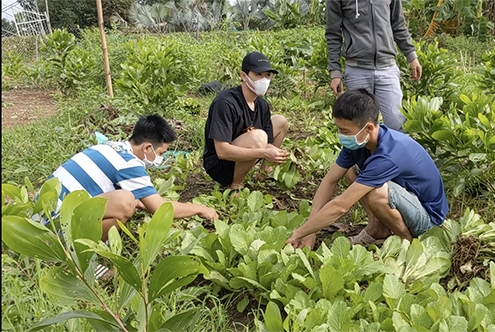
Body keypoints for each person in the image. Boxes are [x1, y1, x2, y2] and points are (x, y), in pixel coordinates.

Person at [286, 89, 448, 249]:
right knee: (352, 172)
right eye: (339, 129)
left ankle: (406, 242)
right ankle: (377, 229)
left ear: (369, 128)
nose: (341, 135)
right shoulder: (360, 142)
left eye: (345, 131)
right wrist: (310, 232)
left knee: (376, 193)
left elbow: (341, 205)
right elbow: (330, 180)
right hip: (406, 199)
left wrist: (298, 233)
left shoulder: (389, 154)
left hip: (428, 218)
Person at [42, 115, 219, 241]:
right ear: (147, 147)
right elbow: (160, 209)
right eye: (160, 153)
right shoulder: (130, 164)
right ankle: (79, 257)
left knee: (129, 198)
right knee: (125, 202)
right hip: (54, 228)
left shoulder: (111, 146)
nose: (160, 159)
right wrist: (199, 209)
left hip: (42, 212)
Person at [326, 0, 422, 131]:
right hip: (356, 69)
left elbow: (398, 24)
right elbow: (333, 34)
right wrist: (335, 72)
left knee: (396, 124)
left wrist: (412, 56)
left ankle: (390, 152)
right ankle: (363, 152)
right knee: (359, 126)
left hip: (387, 68)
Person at [203, 51, 289, 190]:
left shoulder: (262, 105)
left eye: (267, 75)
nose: (264, 80)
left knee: (280, 121)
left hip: (246, 152)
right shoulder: (225, 103)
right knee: (259, 137)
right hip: (221, 165)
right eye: (258, 74)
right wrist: (264, 152)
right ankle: (235, 184)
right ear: (244, 76)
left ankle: (264, 172)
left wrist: (283, 154)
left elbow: (268, 144)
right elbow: (222, 151)